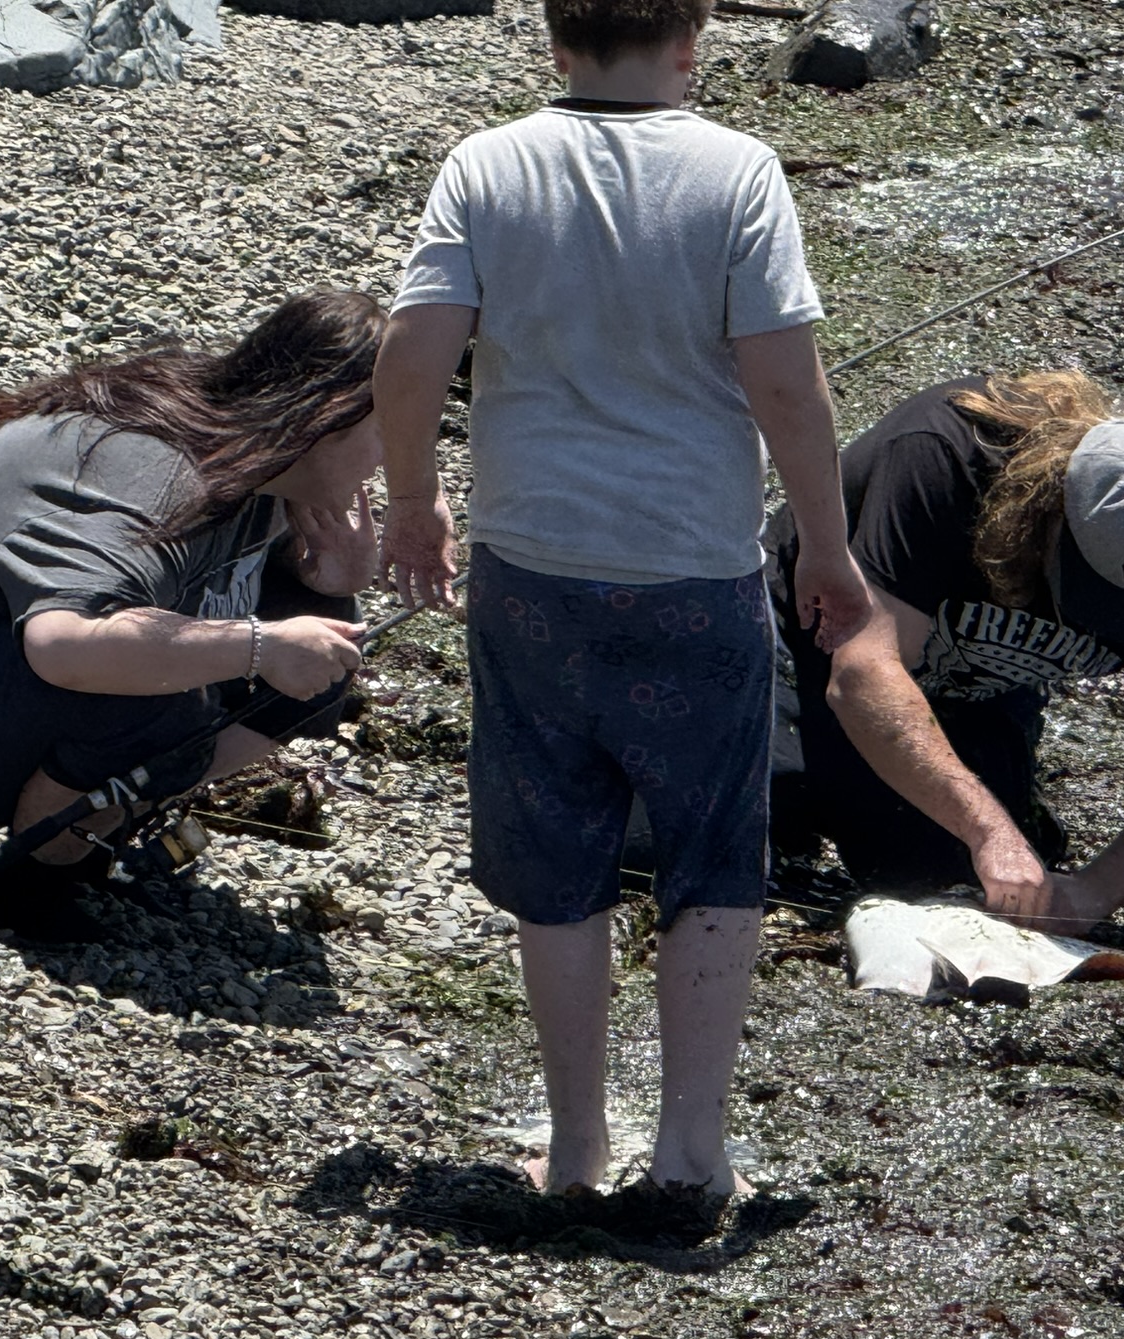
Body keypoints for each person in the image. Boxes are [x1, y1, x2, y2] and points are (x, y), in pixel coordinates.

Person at [373, 0, 870, 1199]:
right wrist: (825, 544)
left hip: (529, 568)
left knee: (557, 854)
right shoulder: (737, 171)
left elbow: (412, 348)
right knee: (710, 853)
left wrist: (413, 499)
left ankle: (577, 1149)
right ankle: (690, 1155)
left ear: (555, 42)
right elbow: (787, 391)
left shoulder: (486, 164)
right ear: (693, 40)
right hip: (692, 574)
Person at [0, 291, 388, 942]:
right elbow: (64, 645)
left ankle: (104, 823)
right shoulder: (156, 468)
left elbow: (280, 657)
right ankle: (35, 887)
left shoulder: (256, 473)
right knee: (165, 687)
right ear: (331, 418)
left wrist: (325, 592)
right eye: (387, 431)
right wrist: (258, 643)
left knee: (321, 662)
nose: (389, 460)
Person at [773, 370, 1124, 935]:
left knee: (941, 883)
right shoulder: (943, 456)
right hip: (804, 645)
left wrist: (1095, 891)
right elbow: (862, 674)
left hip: (971, 692)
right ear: (1048, 509)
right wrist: (989, 830)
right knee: (724, 838)